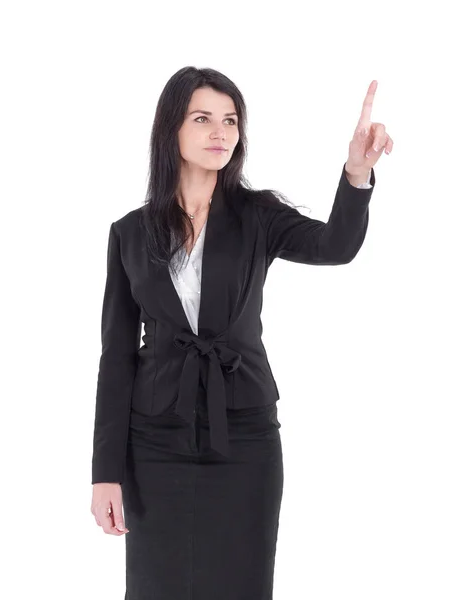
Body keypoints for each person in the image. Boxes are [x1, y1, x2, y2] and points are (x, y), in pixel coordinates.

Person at [90, 66, 392, 599]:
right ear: (171, 131)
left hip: (245, 437)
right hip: (155, 442)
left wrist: (356, 173)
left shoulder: (258, 217)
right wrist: (104, 472)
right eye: (203, 118)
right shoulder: (130, 233)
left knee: (241, 586)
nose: (220, 132)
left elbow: (335, 247)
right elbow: (116, 357)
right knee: (157, 588)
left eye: (230, 121)